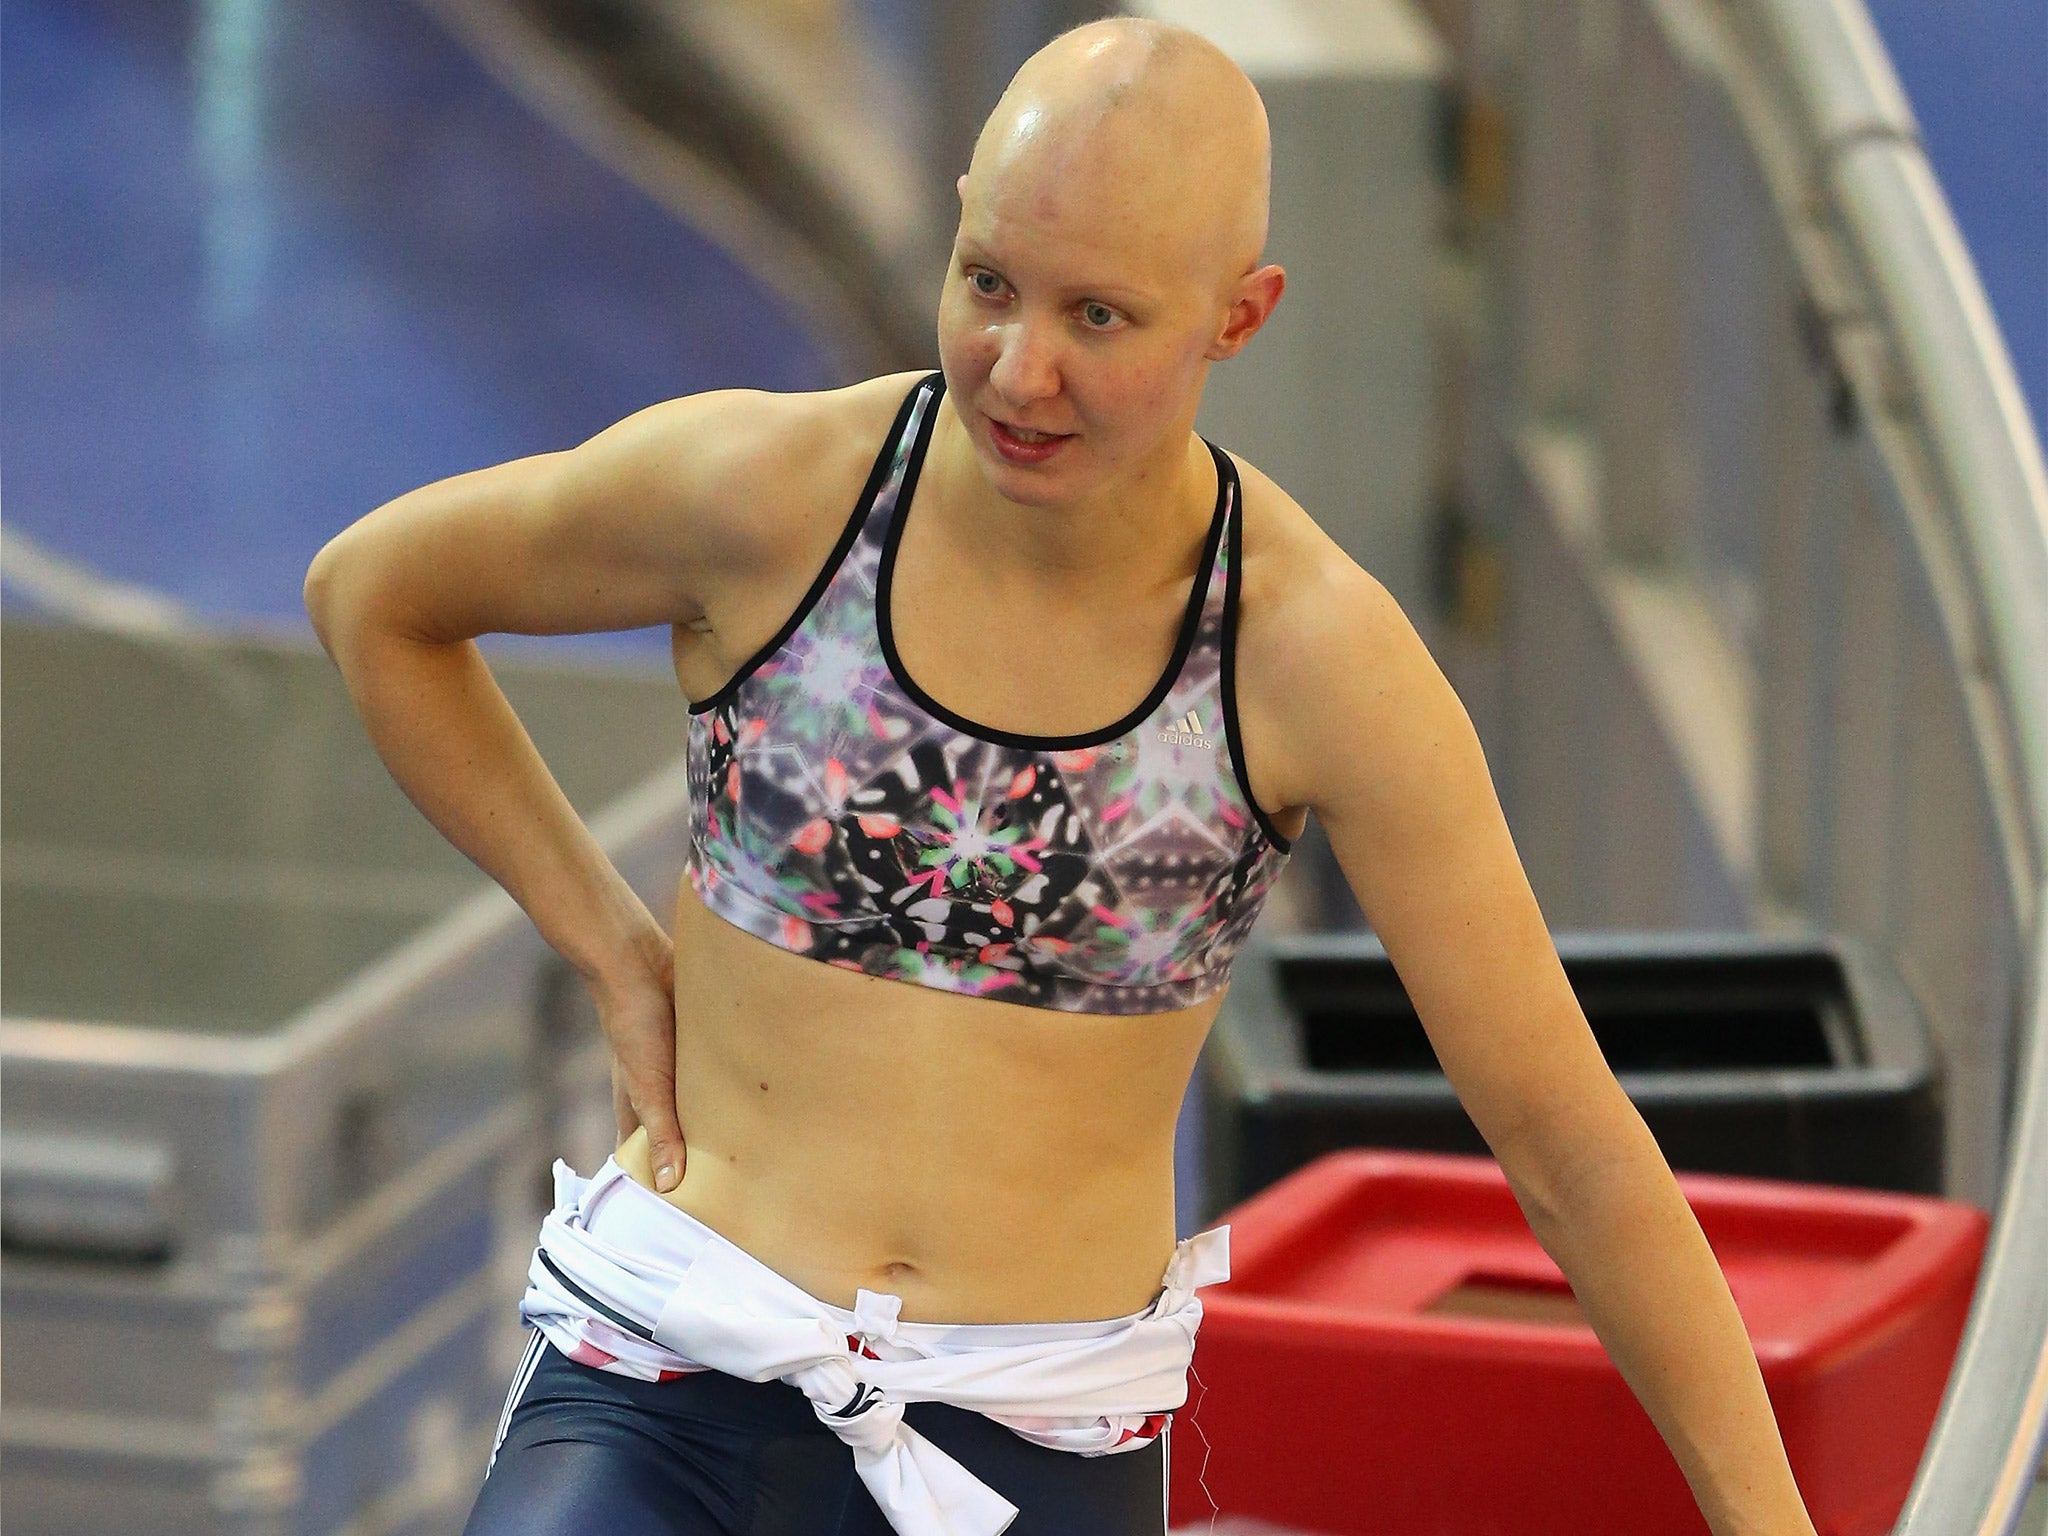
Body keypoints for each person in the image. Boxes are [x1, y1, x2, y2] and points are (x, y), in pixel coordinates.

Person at [306, 17, 1820, 1536]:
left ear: (1240, 318)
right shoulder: (766, 500)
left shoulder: (1306, 658)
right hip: (673, 1372)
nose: (1020, 371)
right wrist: (611, 950)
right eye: (988, 285)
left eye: (1099, 318)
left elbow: (1570, 1150)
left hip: (1032, 1426)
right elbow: (377, 595)